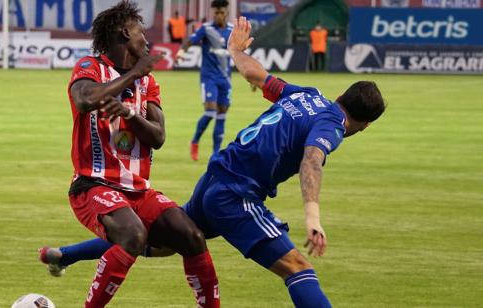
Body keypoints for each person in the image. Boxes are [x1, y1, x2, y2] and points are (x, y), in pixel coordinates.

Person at [40, 16, 386, 308]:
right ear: (366, 124)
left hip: (216, 179)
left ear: (340, 95)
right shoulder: (333, 124)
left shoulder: (310, 96)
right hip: (236, 194)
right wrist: (313, 217)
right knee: (298, 269)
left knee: (167, 239)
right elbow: (312, 161)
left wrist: (235, 50)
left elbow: (257, 77)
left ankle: (64, 255)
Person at [42, 2, 220, 307]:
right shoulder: (90, 67)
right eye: (141, 31)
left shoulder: (148, 82)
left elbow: (158, 136)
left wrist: (129, 113)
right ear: (125, 31)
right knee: (132, 235)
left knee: (192, 236)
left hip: (138, 190)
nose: (147, 40)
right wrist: (134, 72)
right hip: (93, 185)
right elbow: (85, 100)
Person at [175, 0, 233, 161]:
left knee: (222, 114)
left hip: (226, 79)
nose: (218, 16)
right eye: (215, 13)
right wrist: (181, 53)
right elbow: (189, 41)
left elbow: (240, 53)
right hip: (209, 78)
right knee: (210, 111)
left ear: (226, 13)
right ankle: (195, 141)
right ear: (212, 13)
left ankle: (215, 154)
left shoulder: (232, 31)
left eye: (221, 13)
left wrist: (251, 79)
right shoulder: (206, 29)